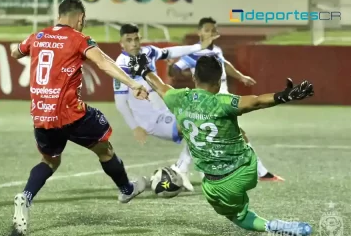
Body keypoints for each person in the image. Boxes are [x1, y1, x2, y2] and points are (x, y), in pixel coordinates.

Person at [127, 54, 314, 236]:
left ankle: (275, 226)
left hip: (218, 184)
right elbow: (256, 101)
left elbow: (160, 87)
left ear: (194, 78)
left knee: (239, 217)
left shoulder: (178, 98)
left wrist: (144, 70)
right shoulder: (223, 102)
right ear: (218, 83)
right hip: (246, 169)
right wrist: (285, 95)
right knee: (237, 132)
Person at [10, 0, 149, 235]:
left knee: (50, 161)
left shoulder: (38, 36)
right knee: (105, 149)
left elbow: (15, 52)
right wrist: (132, 83)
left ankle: (25, 197)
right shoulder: (78, 39)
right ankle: (126, 189)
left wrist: (27, 47)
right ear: (80, 18)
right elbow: (103, 63)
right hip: (71, 114)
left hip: (42, 114)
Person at [167, 17, 284, 182]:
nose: (211, 33)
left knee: (204, 132)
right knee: (232, 133)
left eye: (213, 30)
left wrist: (241, 76)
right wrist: (172, 67)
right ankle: (260, 171)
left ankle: (182, 169)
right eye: (207, 30)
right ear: (199, 32)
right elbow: (175, 71)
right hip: (209, 98)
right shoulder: (193, 54)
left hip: (223, 96)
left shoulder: (217, 51)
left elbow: (225, 64)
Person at [114, 23, 218, 191]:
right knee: (196, 124)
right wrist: (135, 127)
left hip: (166, 111)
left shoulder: (148, 52)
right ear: (121, 43)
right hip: (151, 121)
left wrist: (198, 46)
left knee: (202, 122)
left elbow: (171, 52)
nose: (133, 43)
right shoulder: (121, 65)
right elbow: (120, 103)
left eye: (136, 39)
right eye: (128, 40)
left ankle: (191, 169)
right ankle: (183, 169)